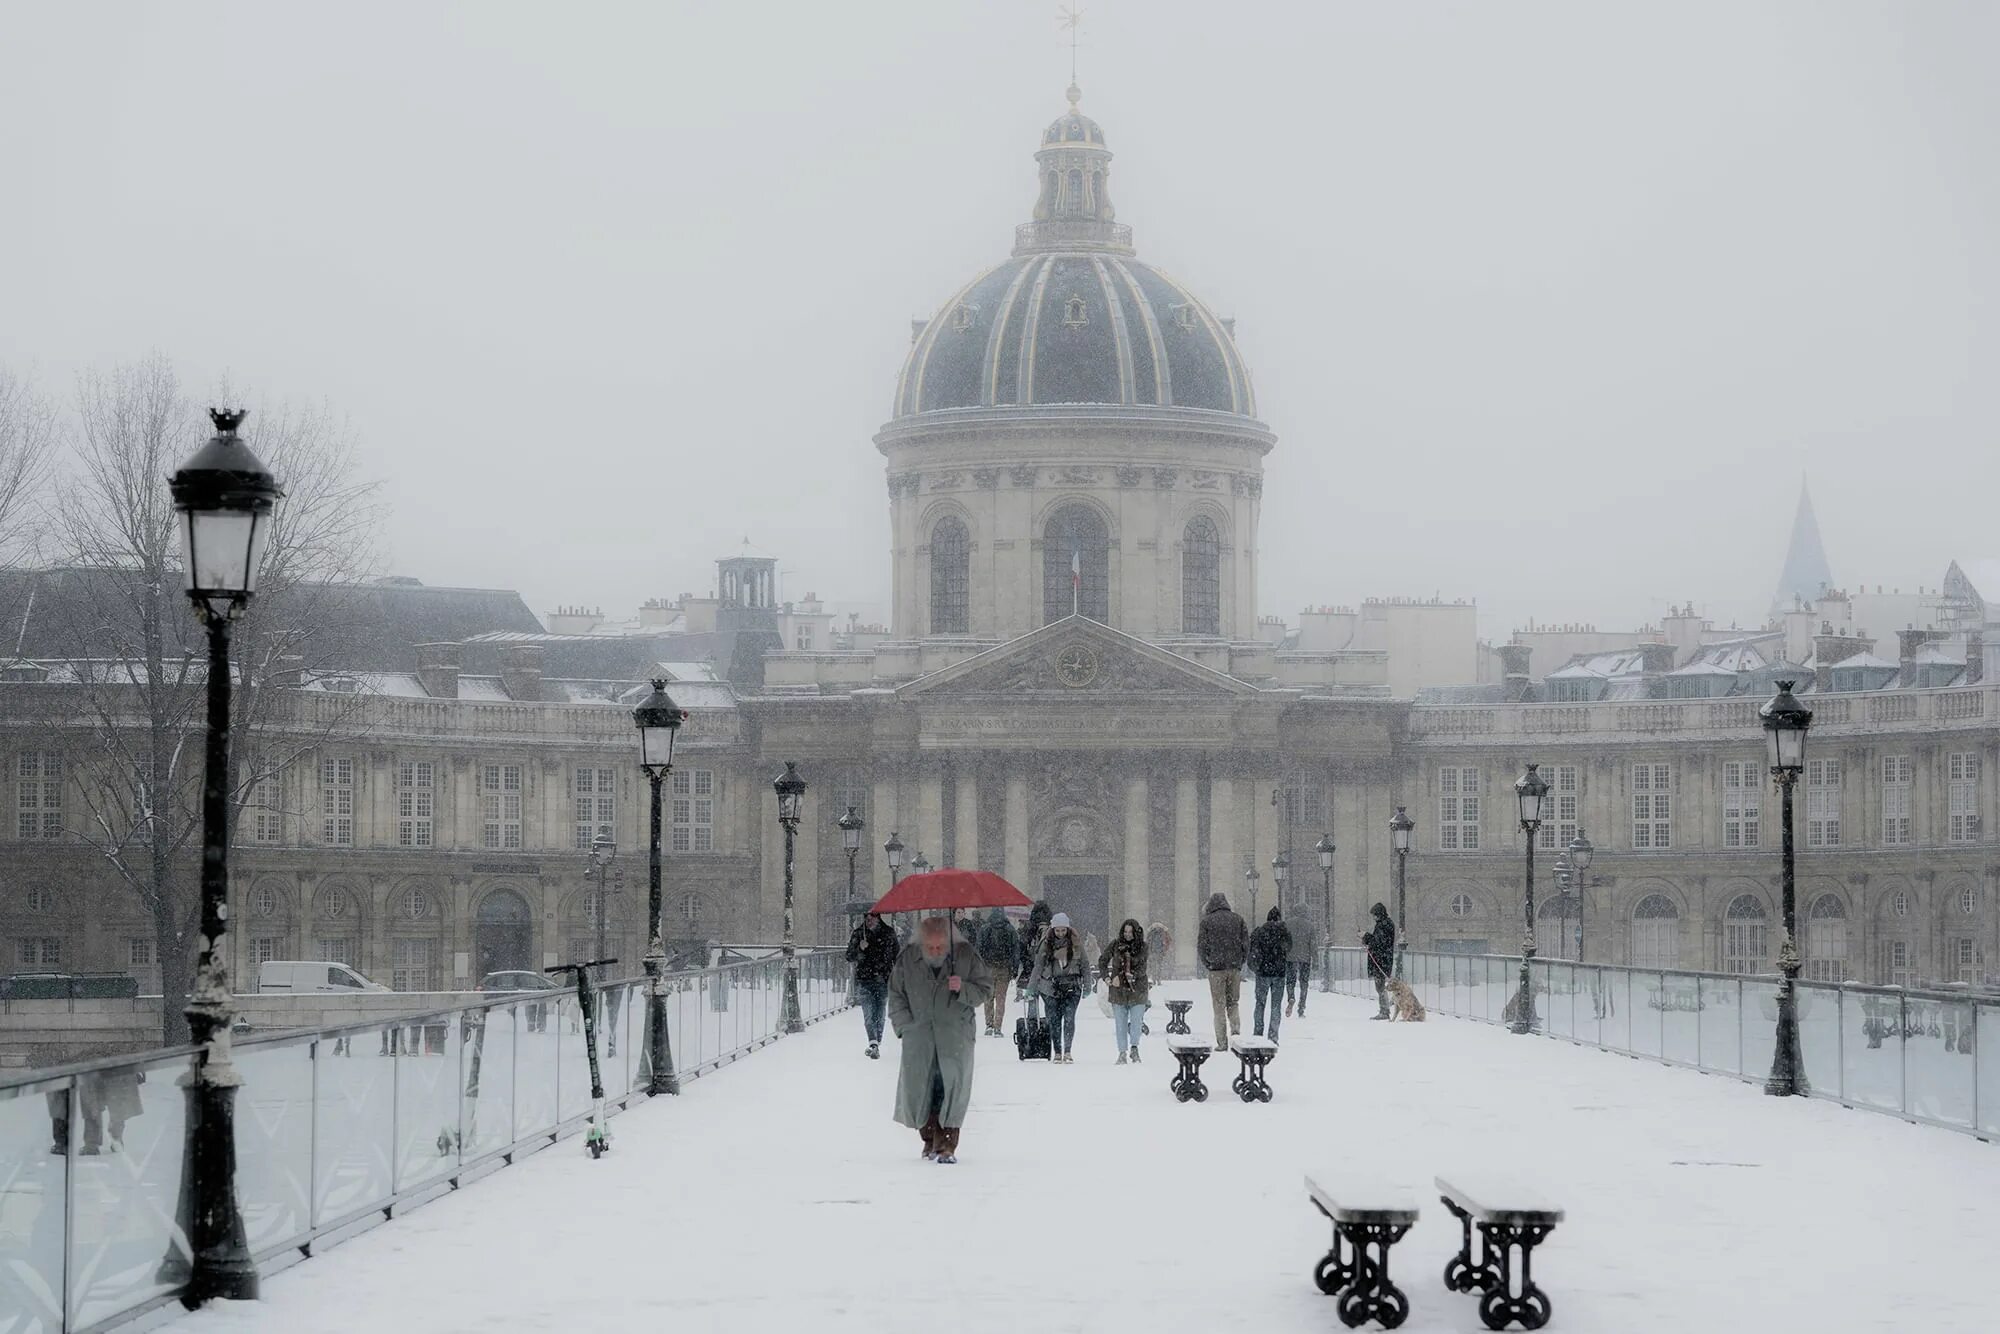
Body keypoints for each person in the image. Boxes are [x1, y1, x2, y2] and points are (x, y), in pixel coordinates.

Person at [888, 915, 993, 1163]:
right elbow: (896, 996)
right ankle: (928, 1139)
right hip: (919, 1034)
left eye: (940, 947)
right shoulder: (907, 959)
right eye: (930, 947)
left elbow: (985, 990)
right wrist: (904, 1027)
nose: (935, 951)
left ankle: (946, 1144)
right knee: (923, 1087)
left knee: (951, 1087)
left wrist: (963, 988)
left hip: (955, 1034)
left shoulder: (966, 956)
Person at [1026, 912, 1090, 1062]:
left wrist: (1087, 984)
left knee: (1069, 1018)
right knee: (1054, 1020)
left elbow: (1085, 965)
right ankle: (1057, 1051)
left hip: (1072, 987)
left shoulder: (1076, 943)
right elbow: (1039, 966)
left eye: (1063, 930)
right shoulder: (1046, 944)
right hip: (1050, 988)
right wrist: (1032, 986)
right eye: (1057, 930)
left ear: (1068, 929)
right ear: (1053, 929)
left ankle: (1067, 1051)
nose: (1060, 933)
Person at [1196, 892, 1248, 1051]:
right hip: (1233, 967)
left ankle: (1222, 1042)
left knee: (1219, 1005)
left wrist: (1208, 963)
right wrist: (1240, 962)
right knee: (1233, 1002)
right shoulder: (1238, 919)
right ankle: (1236, 1032)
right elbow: (1246, 944)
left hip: (1216, 969)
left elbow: (1201, 946)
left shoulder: (1207, 922)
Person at [845, 911, 900, 1058]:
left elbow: (896, 955)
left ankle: (876, 1042)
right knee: (869, 1014)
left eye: (872, 918)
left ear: (878, 917)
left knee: (880, 1014)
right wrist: (859, 949)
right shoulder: (858, 934)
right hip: (865, 979)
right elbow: (849, 956)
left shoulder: (888, 933)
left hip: (883, 979)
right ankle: (873, 1043)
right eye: (866, 918)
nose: (869, 921)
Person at [1097, 918, 1150, 1064]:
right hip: (1118, 990)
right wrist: (1107, 978)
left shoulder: (1143, 947)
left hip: (1137, 989)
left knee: (1136, 1021)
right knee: (1120, 1023)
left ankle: (1134, 1048)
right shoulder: (1115, 945)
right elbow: (1102, 960)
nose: (1127, 935)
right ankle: (1122, 1052)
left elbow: (1142, 968)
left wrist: (1128, 976)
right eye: (1125, 931)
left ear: (1136, 932)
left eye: (1130, 932)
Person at [1248, 906, 1293, 1043]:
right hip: (1279, 973)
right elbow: (1288, 948)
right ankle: (1273, 1036)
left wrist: (1257, 966)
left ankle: (1258, 1033)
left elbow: (1253, 950)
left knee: (1260, 1003)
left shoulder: (1260, 932)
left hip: (1262, 972)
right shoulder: (1284, 932)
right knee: (1276, 1006)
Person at [975, 908, 1022, 1037]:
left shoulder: (985, 928)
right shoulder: (1010, 929)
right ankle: (998, 1027)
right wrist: (1014, 969)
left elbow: (978, 949)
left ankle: (988, 1025)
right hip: (1004, 968)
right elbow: (1016, 950)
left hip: (988, 967)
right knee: (1001, 999)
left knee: (988, 998)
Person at [1016, 898, 1054, 1019]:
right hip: (1049, 970)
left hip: (1032, 968)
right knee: (1050, 1000)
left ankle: (1033, 1024)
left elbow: (1022, 949)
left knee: (1032, 997)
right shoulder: (1052, 930)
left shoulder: (1029, 929)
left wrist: (1026, 965)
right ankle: (1050, 1024)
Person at [1284, 900, 1320, 1017]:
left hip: (1290, 957)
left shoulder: (1287, 924)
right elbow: (1313, 945)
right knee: (1304, 983)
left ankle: (1291, 997)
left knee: (1290, 981)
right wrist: (1315, 960)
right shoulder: (1310, 926)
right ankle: (1301, 1007)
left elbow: (1283, 942)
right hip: (1305, 958)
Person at [1362, 901, 1397, 1020]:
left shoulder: (1384, 925)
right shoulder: (1385, 924)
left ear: (1379, 914)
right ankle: (1385, 1009)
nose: (1373, 917)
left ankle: (1384, 1010)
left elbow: (1378, 942)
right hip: (1383, 959)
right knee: (1380, 985)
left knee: (1380, 986)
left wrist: (1365, 936)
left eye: (1374, 915)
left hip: (1381, 960)